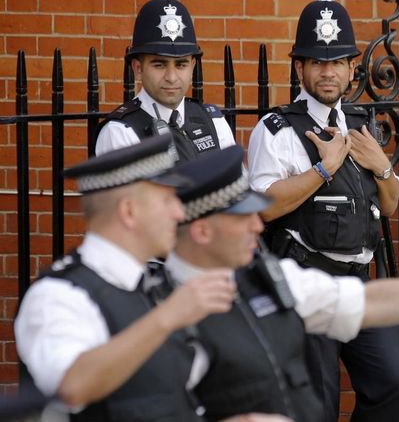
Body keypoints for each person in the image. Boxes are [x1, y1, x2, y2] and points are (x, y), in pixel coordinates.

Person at [164, 144, 399, 421]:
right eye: (243, 219)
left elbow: (371, 302)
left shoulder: (269, 279)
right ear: (202, 230)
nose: (259, 226)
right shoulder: (158, 313)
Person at [13, 135, 285, 422]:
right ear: (129, 211)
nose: (180, 212)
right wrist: (167, 317)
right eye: (168, 199)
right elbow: (71, 386)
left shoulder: (148, 287)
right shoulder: (59, 296)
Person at [247, 0, 399, 421]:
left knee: (394, 383)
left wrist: (382, 168)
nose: (328, 71)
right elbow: (263, 207)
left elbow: (389, 208)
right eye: (317, 62)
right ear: (299, 67)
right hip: (305, 279)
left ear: (352, 68)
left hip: (357, 281)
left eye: (337, 61)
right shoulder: (276, 129)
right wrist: (324, 168)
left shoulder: (361, 123)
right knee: (317, 406)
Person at [96, 0, 235, 159]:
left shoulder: (213, 122)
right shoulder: (120, 133)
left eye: (181, 64)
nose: (171, 77)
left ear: (192, 66)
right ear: (138, 68)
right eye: (159, 65)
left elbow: (237, 184)